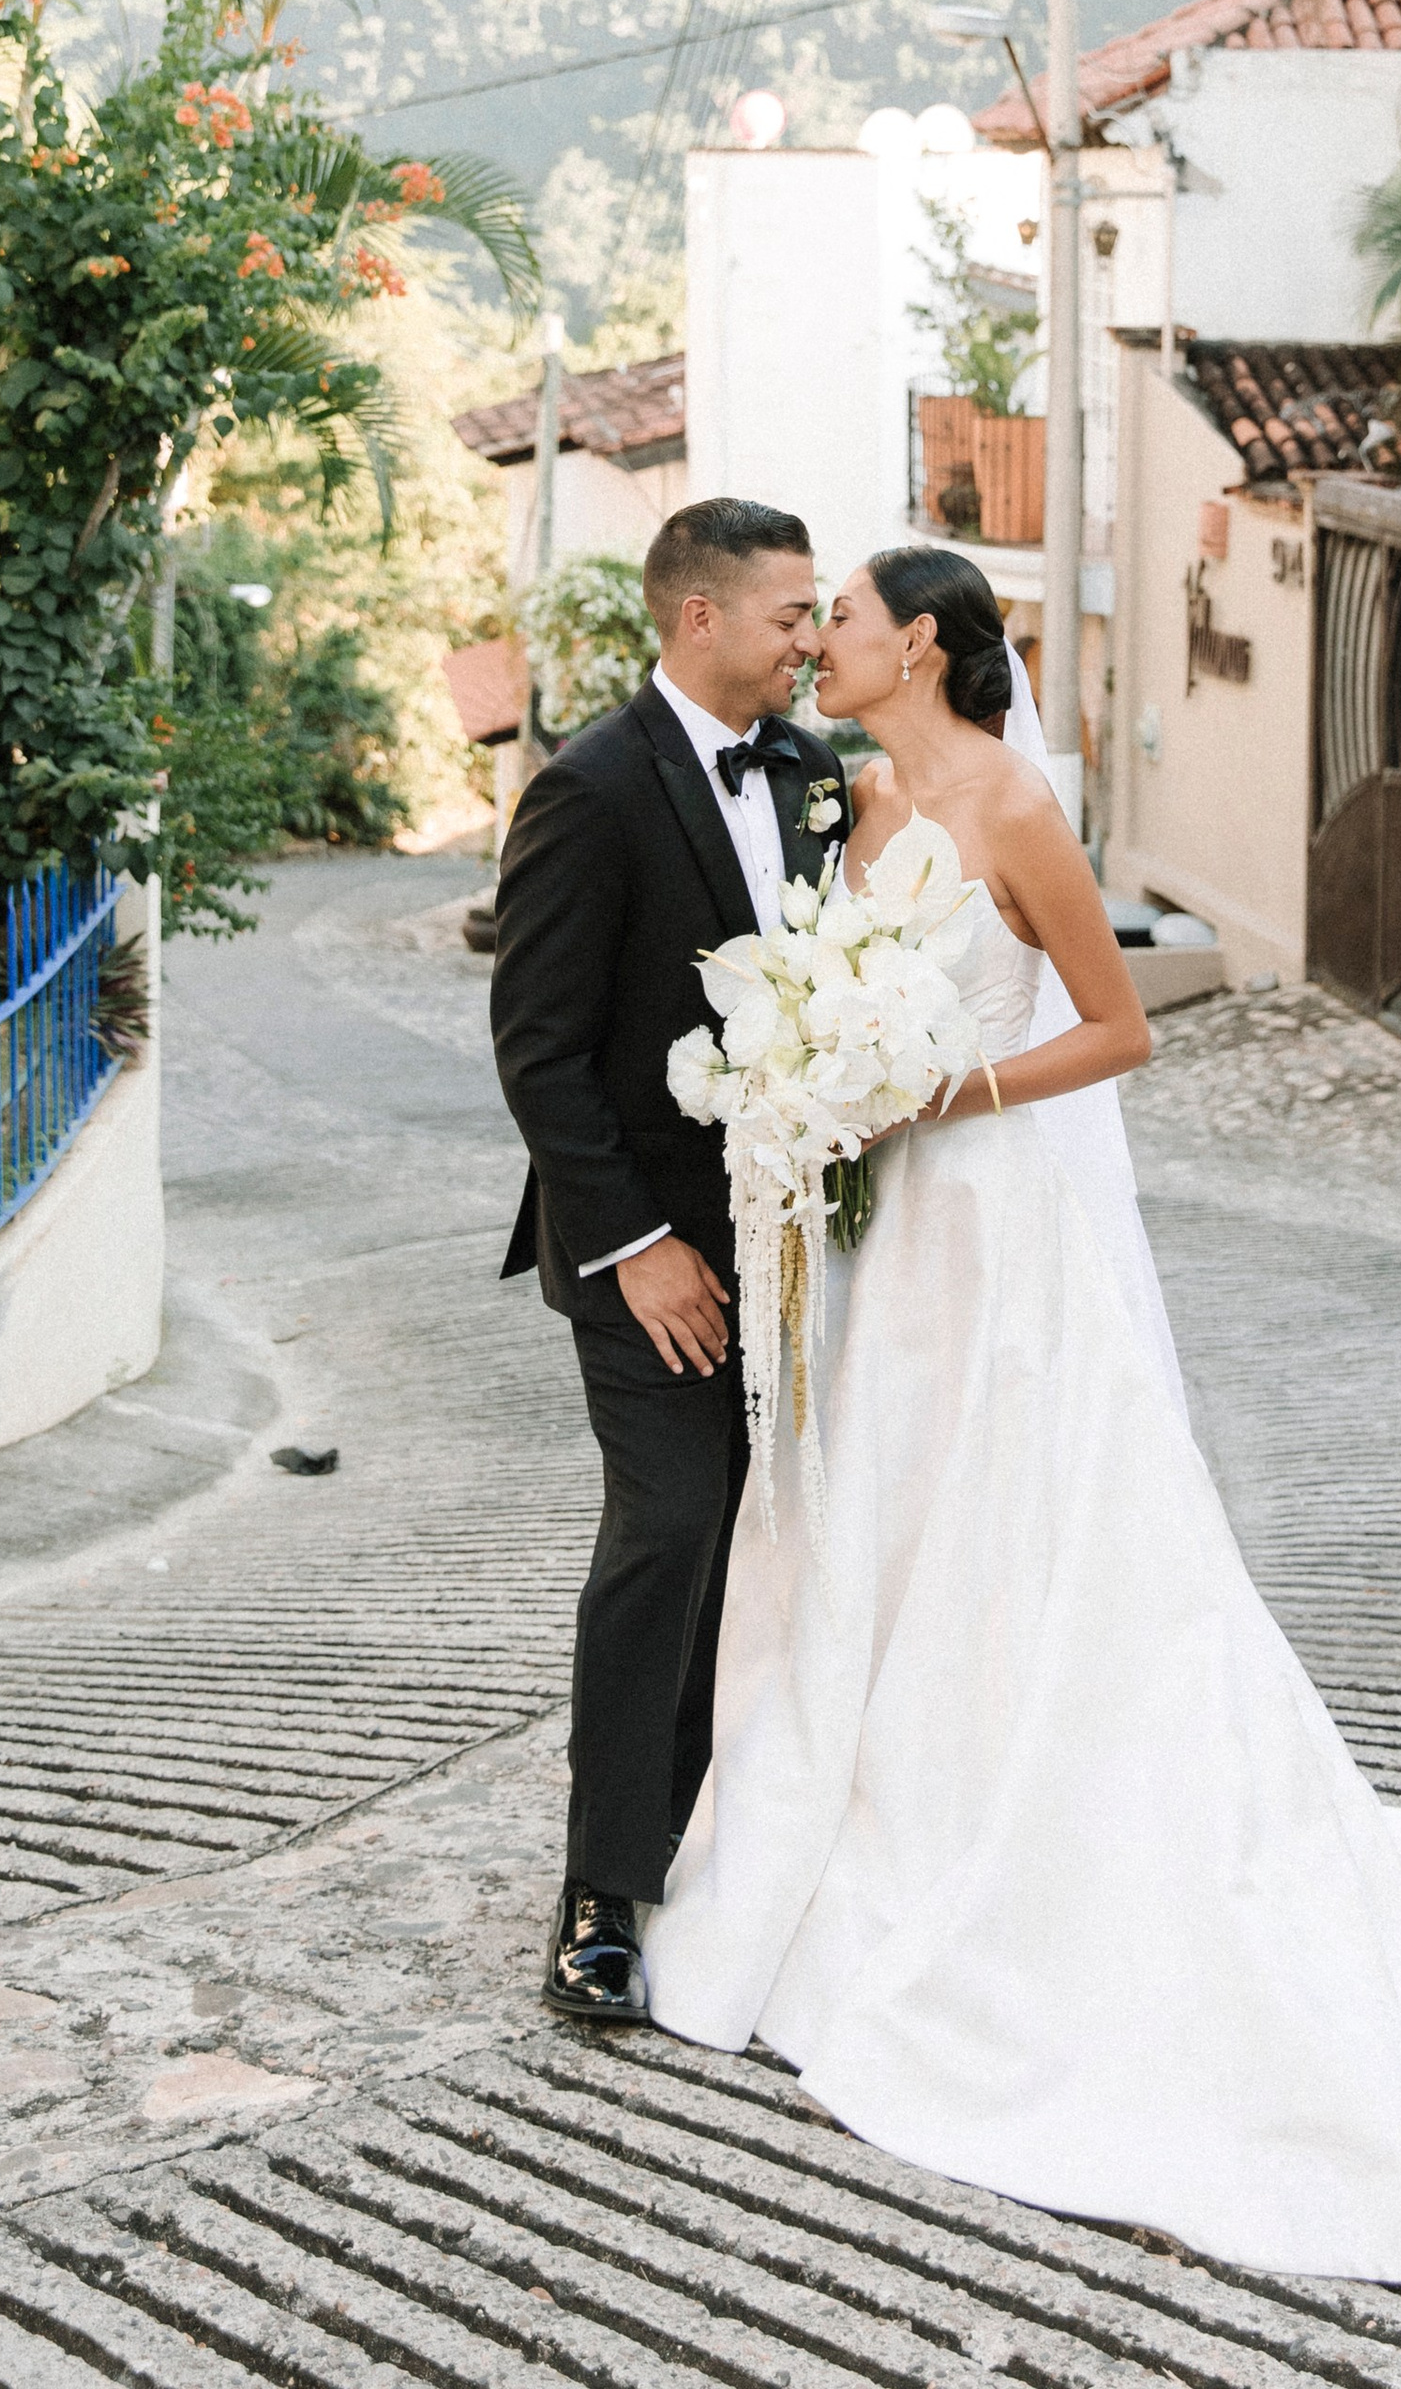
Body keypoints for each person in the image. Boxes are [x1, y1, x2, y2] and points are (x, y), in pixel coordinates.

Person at [644, 543, 1401, 2284]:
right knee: (893, 1521)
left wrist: (939, 1088)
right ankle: (873, 1824)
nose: (822, 641)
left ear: (916, 643)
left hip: (998, 1228)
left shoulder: (1015, 809)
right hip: (897, 1250)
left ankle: (1046, 1846)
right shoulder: (850, 794)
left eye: (843, 618)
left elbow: (1118, 1031)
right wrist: (811, 1079)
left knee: (1031, 1533)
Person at [490, 494, 849, 2025]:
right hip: (647, 1257)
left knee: (787, 1538)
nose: (813, 642)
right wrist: (638, 1248)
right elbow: (539, 1053)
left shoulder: (821, 778)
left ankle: (749, 1836)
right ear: (699, 618)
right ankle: (603, 1890)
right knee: (671, 1530)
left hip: (799, 1251)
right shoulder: (590, 788)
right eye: (790, 616)